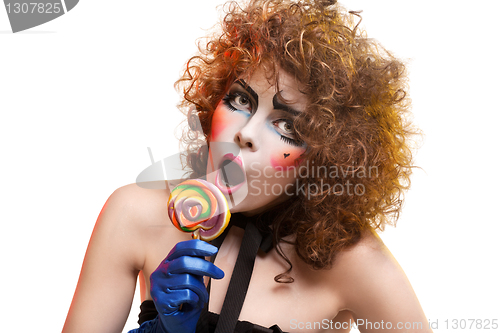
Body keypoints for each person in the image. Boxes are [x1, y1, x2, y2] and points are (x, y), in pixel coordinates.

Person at [62, 0, 431, 332]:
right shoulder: (134, 214)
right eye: (240, 99)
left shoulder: (353, 262)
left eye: (288, 125)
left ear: (328, 155)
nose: (247, 133)